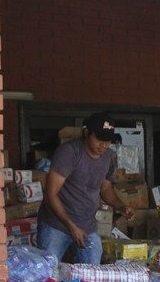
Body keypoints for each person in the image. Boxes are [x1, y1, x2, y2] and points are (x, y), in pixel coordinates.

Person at [36, 112, 133, 264]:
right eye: (100, 139)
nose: (104, 145)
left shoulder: (108, 157)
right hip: (56, 225)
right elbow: (50, 193)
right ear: (87, 133)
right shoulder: (69, 152)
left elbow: (105, 188)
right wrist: (71, 226)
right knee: (48, 273)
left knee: (92, 276)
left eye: (108, 141)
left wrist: (121, 205)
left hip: (87, 226)